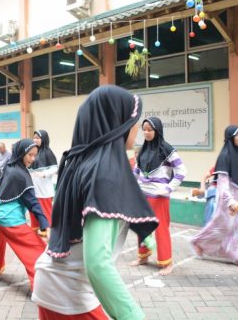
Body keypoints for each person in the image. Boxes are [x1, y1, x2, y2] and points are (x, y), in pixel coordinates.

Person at [34, 86, 158, 320]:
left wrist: (144, 232)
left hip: (55, 283)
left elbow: (119, 202)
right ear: (117, 124)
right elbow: (98, 265)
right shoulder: (105, 173)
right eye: (133, 121)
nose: (135, 128)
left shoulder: (82, 160)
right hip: (69, 293)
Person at [191, 125, 238, 268]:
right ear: (231, 137)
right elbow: (222, 185)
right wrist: (230, 202)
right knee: (222, 226)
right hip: (227, 198)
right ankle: (198, 242)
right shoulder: (224, 156)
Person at [0, 139, 50, 290]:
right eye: (30, 155)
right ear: (21, 153)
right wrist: (45, 225)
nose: (33, 159)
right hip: (10, 220)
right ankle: (42, 288)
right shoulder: (21, 175)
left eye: (35, 155)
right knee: (37, 250)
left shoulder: (10, 165)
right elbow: (33, 203)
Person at [130, 116, 187, 275]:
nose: (147, 133)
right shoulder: (143, 150)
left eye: (150, 130)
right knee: (142, 226)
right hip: (142, 195)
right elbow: (137, 171)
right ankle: (143, 257)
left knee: (161, 229)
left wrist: (169, 188)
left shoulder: (167, 150)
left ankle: (167, 262)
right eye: (145, 130)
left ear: (158, 130)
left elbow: (181, 171)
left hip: (159, 197)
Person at [29, 130, 58, 235]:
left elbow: (55, 168)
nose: (35, 139)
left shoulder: (48, 152)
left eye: (38, 137)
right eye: (34, 137)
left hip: (44, 189)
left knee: (45, 210)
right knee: (33, 209)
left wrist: (44, 173)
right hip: (33, 188)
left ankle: (48, 232)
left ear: (43, 139)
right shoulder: (32, 152)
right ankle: (36, 229)